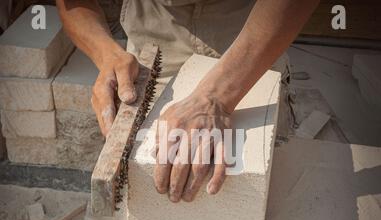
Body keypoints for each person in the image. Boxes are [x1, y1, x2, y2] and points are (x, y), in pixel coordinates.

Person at [56, 0, 319, 202]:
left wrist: (217, 95)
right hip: (155, 24)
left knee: (255, 177)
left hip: (250, 28)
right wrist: (106, 54)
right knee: (153, 163)